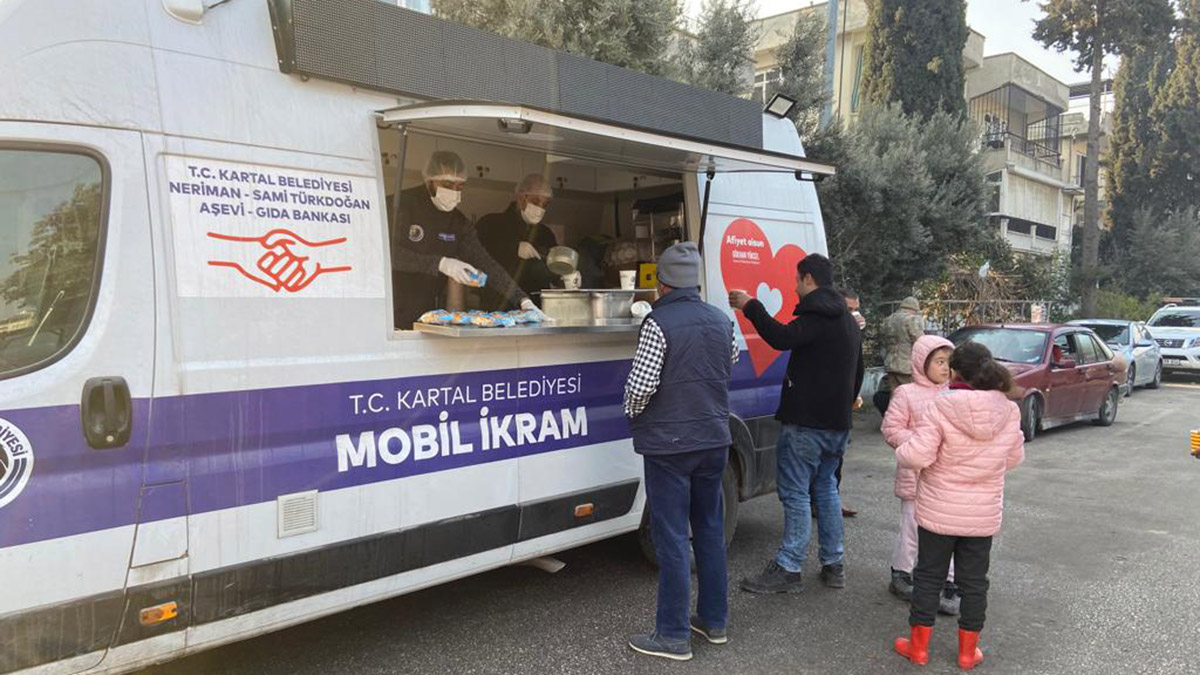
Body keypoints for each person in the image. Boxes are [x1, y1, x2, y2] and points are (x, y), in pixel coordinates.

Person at [623, 242, 739, 661]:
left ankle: (672, 635)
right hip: (713, 439)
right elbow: (731, 361)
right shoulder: (721, 320)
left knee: (671, 536)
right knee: (708, 529)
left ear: (661, 284)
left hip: (669, 445)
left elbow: (640, 386)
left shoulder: (658, 323)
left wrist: (632, 414)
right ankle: (713, 621)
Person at [728, 254, 864, 594]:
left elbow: (780, 337)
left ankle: (789, 567)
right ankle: (834, 564)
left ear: (807, 280)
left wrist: (750, 306)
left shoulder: (817, 316)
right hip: (837, 425)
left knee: (796, 495)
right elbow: (858, 372)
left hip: (806, 426)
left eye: (796, 280)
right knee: (826, 491)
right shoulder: (848, 321)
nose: (793, 287)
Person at [892, 342, 1025, 670]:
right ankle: (968, 653)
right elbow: (1014, 458)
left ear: (955, 371)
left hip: (938, 512)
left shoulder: (941, 406)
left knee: (928, 577)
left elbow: (918, 455)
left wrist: (902, 450)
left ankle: (919, 648)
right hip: (981, 516)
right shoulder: (1008, 410)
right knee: (975, 582)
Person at [389, 151, 544, 327]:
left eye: (459, 186)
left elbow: (487, 264)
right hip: (388, 309)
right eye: (447, 184)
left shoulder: (458, 223)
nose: (454, 192)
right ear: (429, 180)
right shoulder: (401, 205)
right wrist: (440, 264)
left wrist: (522, 299)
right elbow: (387, 255)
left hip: (427, 314)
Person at [881, 334, 962, 616]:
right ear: (921, 363)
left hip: (947, 478)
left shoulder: (956, 394)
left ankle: (949, 580)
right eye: (939, 361)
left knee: (948, 529)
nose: (944, 368)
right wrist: (921, 442)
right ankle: (901, 572)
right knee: (912, 527)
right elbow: (891, 429)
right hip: (915, 475)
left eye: (949, 363)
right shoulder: (906, 393)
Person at [476, 174, 560, 309]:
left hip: (534, 308)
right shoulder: (491, 224)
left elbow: (553, 269)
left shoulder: (545, 234)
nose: (540, 208)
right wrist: (513, 248)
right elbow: (477, 257)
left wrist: (566, 274)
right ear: (521, 198)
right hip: (497, 307)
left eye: (545, 204)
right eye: (536, 201)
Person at [883, 296, 925, 392]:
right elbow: (920, 340)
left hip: (890, 363)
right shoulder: (911, 319)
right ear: (914, 308)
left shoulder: (888, 319)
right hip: (906, 366)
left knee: (894, 395)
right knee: (909, 394)